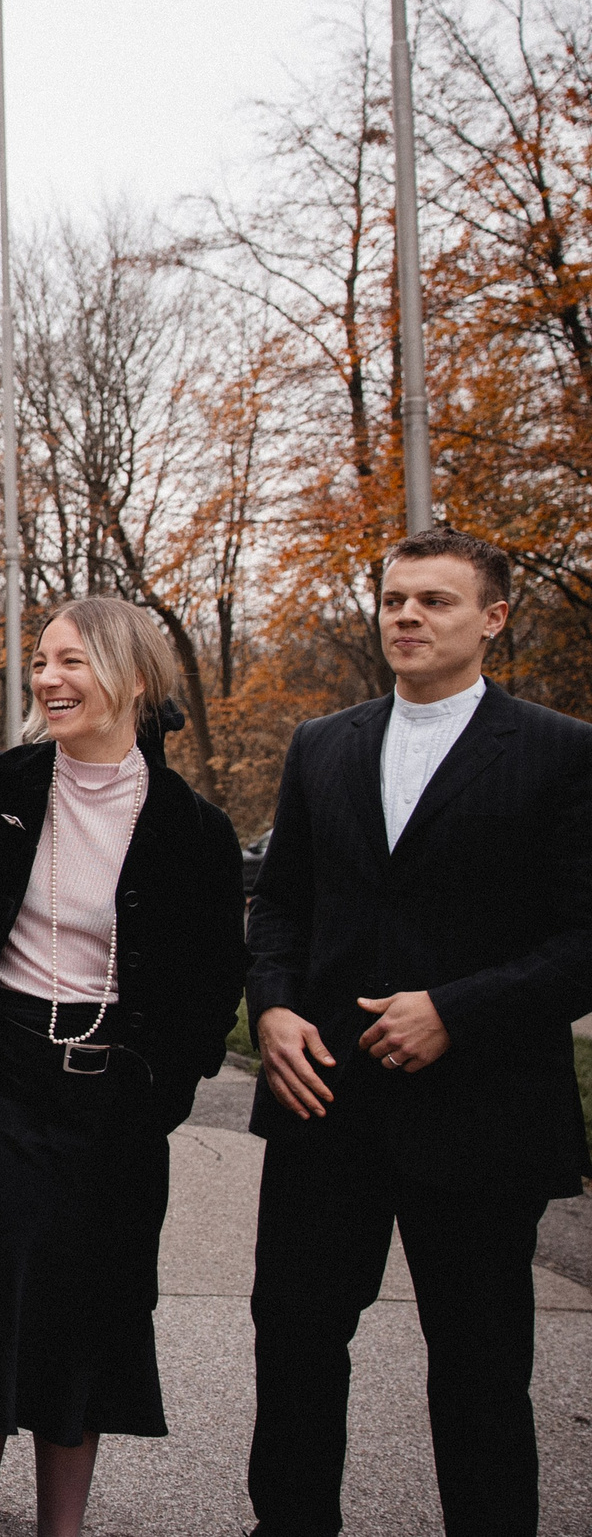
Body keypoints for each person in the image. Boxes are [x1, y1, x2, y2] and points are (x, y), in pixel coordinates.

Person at [0, 597, 247, 1537]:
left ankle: (61, 1530)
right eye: (41, 662)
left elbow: (216, 973)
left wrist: (166, 1083)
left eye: (72, 662)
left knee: (83, 1319)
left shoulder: (191, 826)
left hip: (109, 1101)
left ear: (131, 678)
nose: (48, 679)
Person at [244, 527, 592, 1537]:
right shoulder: (323, 744)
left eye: (434, 601)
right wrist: (269, 1006)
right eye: (395, 599)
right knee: (296, 1347)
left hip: (482, 1117)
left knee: (481, 1376)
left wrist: (456, 1011)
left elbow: (582, 936)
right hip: (324, 1106)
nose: (406, 617)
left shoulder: (563, 754)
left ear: (490, 618)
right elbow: (279, 907)